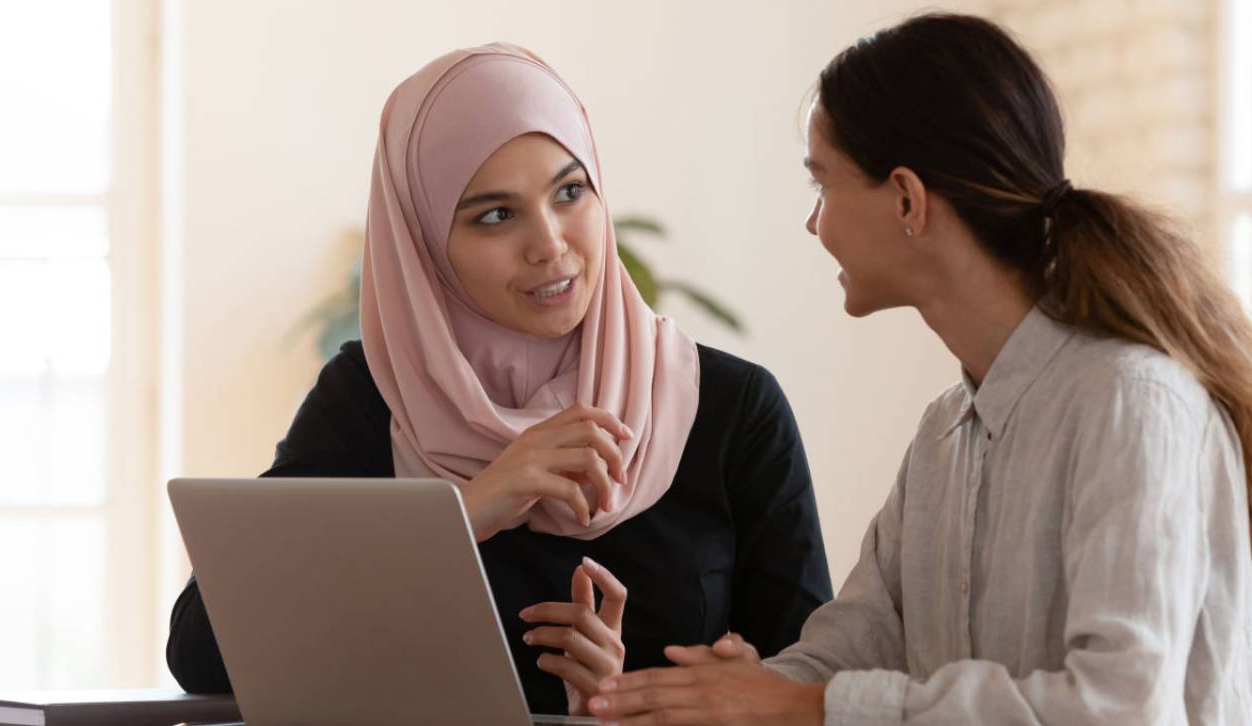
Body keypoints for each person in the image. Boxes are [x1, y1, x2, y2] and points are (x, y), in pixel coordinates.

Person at [588, 13, 1252, 725]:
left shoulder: (1130, 403)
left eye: (822, 187)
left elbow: (1119, 707)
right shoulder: (944, 430)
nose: (814, 225)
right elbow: (850, 649)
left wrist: (803, 705)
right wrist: (699, 693)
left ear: (906, 199)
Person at [165, 43, 833, 716]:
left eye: (570, 192)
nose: (550, 244)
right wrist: (465, 512)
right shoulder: (375, 398)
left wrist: (626, 702)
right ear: (424, 244)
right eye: (494, 215)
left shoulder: (728, 408)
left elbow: (805, 688)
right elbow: (201, 650)